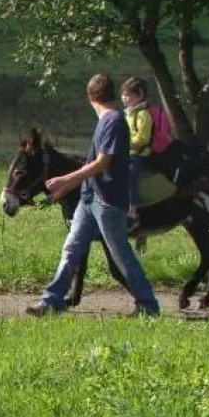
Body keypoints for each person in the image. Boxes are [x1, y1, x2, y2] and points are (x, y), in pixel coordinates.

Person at [27, 73, 160, 318]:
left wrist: (67, 179)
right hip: (88, 199)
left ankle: (148, 305)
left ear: (91, 98)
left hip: (108, 201)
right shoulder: (106, 120)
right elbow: (93, 162)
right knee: (71, 248)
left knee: (121, 254)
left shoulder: (113, 121)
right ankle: (51, 300)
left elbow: (103, 162)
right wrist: (67, 189)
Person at [120, 76, 154, 222]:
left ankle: (133, 208)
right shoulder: (127, 113)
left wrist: (125, 144)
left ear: (140, 95)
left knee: (130, 175)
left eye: (128, 95)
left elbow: (143, 139)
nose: (124, 98)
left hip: (138, 154)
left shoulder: (143, 114)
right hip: (125, 153)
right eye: (123, 94)